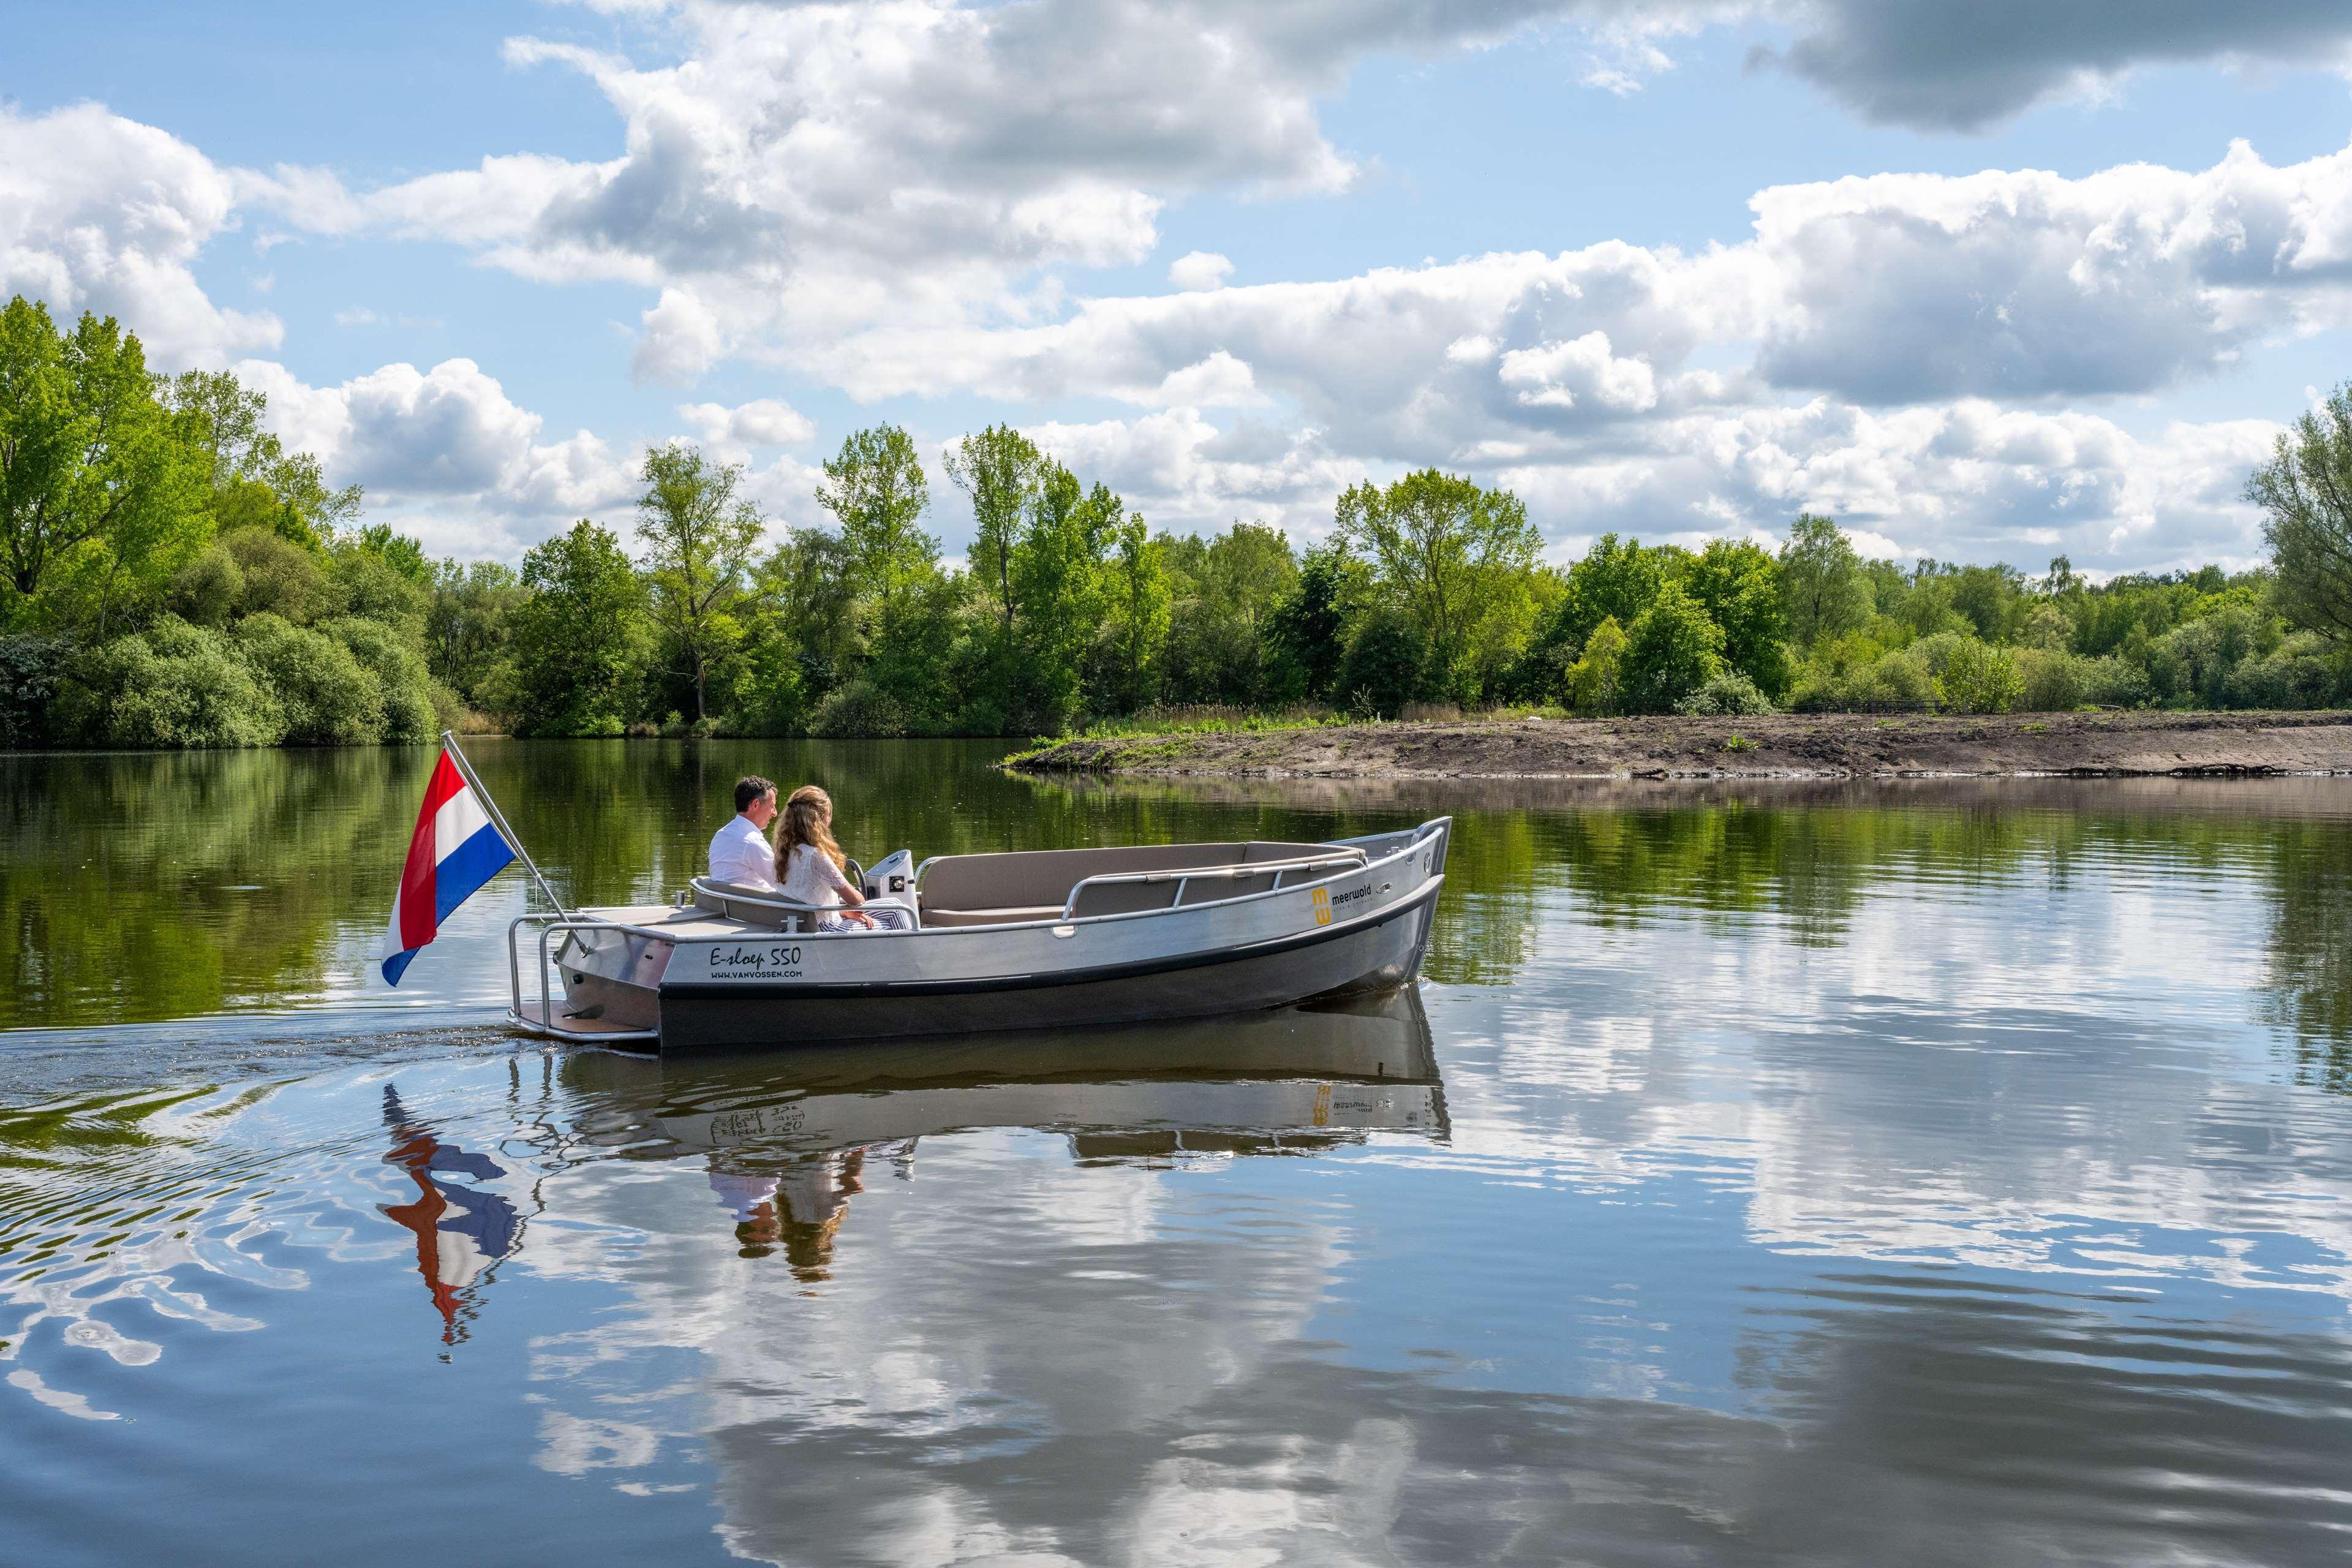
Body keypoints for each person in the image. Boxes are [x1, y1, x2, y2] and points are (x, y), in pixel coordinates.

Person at [775, 784, 910, 932]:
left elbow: (809, 897)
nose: (829, 820)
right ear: (819, 819)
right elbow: (856, 901)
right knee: (898, 912)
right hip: (829, 928)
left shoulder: (785, 851)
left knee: (895, 904)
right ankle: (915, 952)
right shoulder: (816, 856)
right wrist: (853, 902)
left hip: (810, 921)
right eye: (828, 815)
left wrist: (843, 911)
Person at [709, 775, 780, 889]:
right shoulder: (752, 841)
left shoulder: (721, 835)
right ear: (756, 804)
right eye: (771, 806)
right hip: (751, 906)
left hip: (725, 903)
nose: (775, 813)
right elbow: (782, 884)